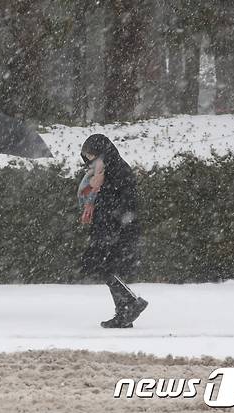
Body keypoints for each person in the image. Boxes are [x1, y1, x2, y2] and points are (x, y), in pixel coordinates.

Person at [80, 134, 148, 328]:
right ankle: (125, 310)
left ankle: (129, 305)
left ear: (103, 152)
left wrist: (113, 220)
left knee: (106, 266)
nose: (90, 160)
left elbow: (127, 202)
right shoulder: (103, 172)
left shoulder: (119, 172)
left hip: (116, 229)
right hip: (106, 227)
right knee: (104, 267)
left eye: (92, 155)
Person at [77, 155, 105, 224]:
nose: (88, 213)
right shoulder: (99, 204)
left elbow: (84, 189)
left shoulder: (82, 199)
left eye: (86, 214)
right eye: (90, 216)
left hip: (95, 172)